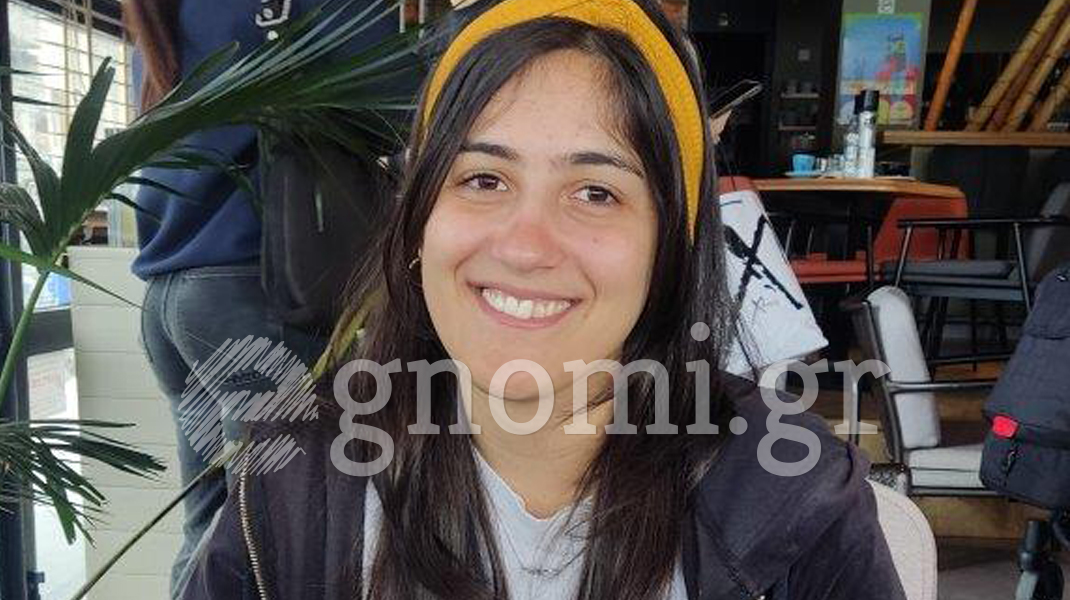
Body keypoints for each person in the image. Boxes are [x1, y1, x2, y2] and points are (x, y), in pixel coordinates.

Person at [180, 1, 906, 599]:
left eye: (596, 192)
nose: (526, 246)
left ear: (670, 248)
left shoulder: (794, 492)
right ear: (418, 219)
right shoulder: (293, 480)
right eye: (483, 179)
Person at [122, 1, 398, 596]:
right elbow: (396, 86)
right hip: (252, 299)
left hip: (173, 301)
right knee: (287, 540)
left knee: (213, 530)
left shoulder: (168, 15)